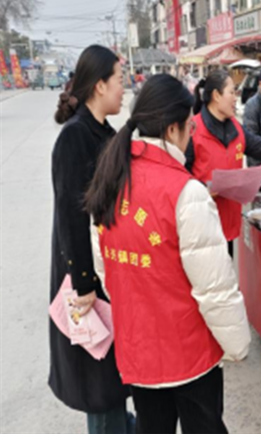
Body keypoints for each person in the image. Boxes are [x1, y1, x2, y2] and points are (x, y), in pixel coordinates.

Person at [86, 74, 251, 434]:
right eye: (190, 126)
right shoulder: (186, 193)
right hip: (189, 354)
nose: (191, 135)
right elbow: (214, 289)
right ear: (174, 128)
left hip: (138, 351)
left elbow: (106, 269)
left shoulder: (109, 178)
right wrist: (237, 345)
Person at [50, 45, 132, 434]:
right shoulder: (74, 137)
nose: (123, 88)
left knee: (114, 367)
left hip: (109, 267)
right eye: (119, 80)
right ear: (99, 85)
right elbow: (70, 217)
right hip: (85, 273)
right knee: (99, 373)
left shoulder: (106, 133)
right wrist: (84, 284)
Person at [185, 69, 261, 253]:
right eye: (232, 92)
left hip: (229, 225)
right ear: (216, 96)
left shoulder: (236, 129)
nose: (236, 98)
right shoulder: (193, 131)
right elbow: (180, 177)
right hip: (203, 229)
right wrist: (204, 190)